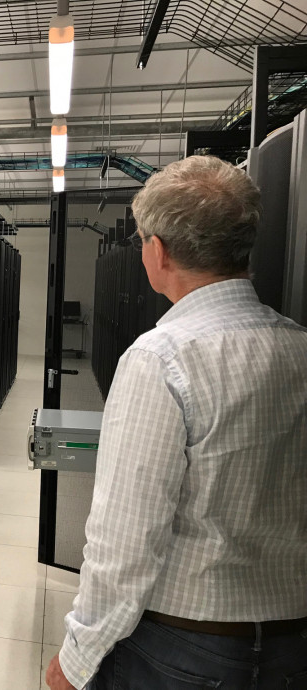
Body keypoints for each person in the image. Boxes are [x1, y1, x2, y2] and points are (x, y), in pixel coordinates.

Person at [46, 155, 307, 690]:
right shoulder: (300, 346)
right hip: (290, 644)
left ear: (157, 250)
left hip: (181, 650)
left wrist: (77, 656)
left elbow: (125, 539)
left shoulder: (162, 359)